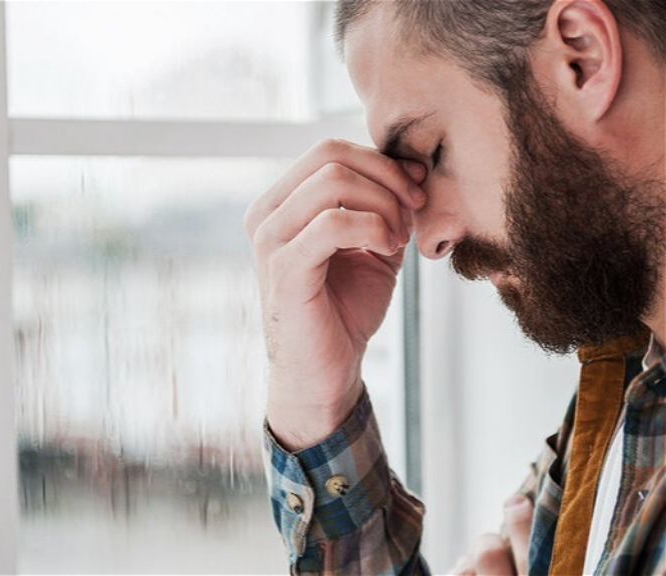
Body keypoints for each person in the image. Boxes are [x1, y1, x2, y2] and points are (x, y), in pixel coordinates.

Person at [244, 0, 666, 573]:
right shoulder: (622, 397)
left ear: (583, 57)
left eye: (430, 152)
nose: (428, 241)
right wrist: (317, 406)